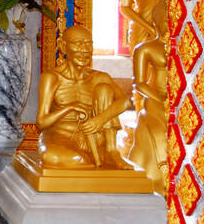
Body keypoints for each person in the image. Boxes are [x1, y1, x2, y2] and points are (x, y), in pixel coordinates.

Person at [35, 25, 132, 169]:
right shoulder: (52, 78)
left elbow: (125, 102)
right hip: (60, 136)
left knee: (104, 89)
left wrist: (100, 120)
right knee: (55, 157)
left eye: (89, 44)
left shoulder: (100, 77)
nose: (85, 50)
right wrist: (69, 108)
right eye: (79, 44)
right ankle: (90, 158)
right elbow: (41, 122)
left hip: (94, 137)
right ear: (63, 46)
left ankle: (111, 151)